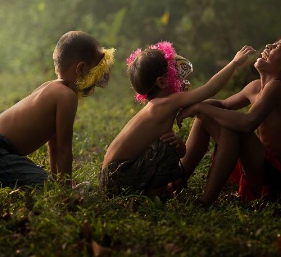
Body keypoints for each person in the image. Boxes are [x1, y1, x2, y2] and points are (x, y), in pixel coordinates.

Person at [0, 31, 115, 191]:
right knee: (46, 187)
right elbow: (63, 149)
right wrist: (64, 191)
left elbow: (54, 143)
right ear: (80, 69)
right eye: (95, 71)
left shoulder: (49, 87)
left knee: (43, 180)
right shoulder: (67, 96)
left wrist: (59, 180)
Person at [176, 34, 281, 206]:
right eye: (274, 43)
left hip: (278, 179)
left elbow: (247, 123)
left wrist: (199, 107)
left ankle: (204, 201)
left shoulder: (277, 88)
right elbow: (223, 105)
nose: (269, 45)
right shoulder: (254, 87)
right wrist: (193, 105)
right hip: (256, 167)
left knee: (233, 128)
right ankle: (175, 182)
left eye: (278, 47)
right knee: (206, 115)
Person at [99, 41, 255, 197]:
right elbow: (210, 89)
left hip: (110, 177)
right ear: (162, 81)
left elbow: (181, 152)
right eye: (174, 71)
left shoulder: (155, 107)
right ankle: (151, 197)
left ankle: (152, 192)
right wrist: (234, 63)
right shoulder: (166, 103)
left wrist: (178, 143)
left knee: (168, 145)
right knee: (166, 148)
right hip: (119, 175)